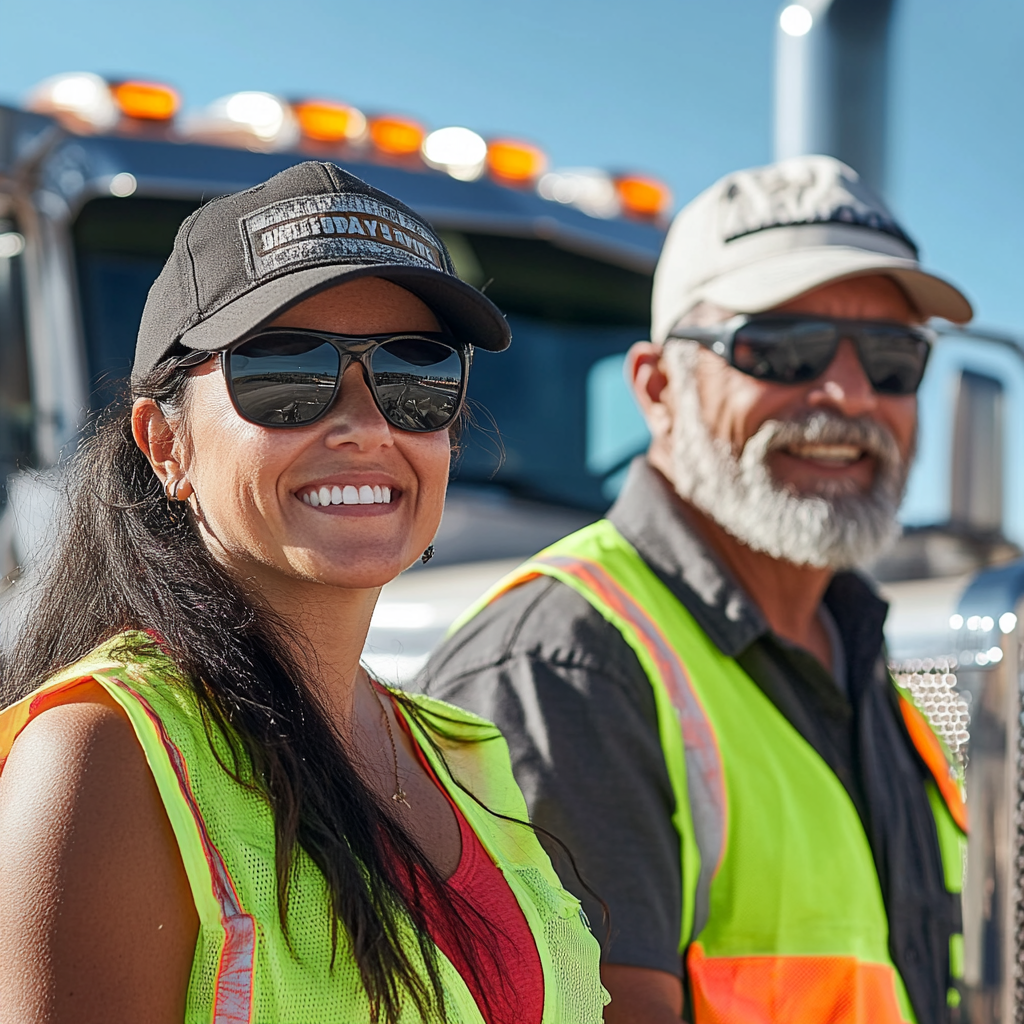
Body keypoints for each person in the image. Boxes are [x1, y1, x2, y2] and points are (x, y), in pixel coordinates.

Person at [0, 162, 607, 1024]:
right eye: (285, 373)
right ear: (164, 443)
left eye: (416, 378)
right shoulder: (104, 757)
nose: (364, 426)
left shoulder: (461, 751)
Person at [418, 155, 970, 1024]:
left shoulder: (870, 669)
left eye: (895, 361)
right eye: (784, 348)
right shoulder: (564, 670)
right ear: (657, 387)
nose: (849, 394)